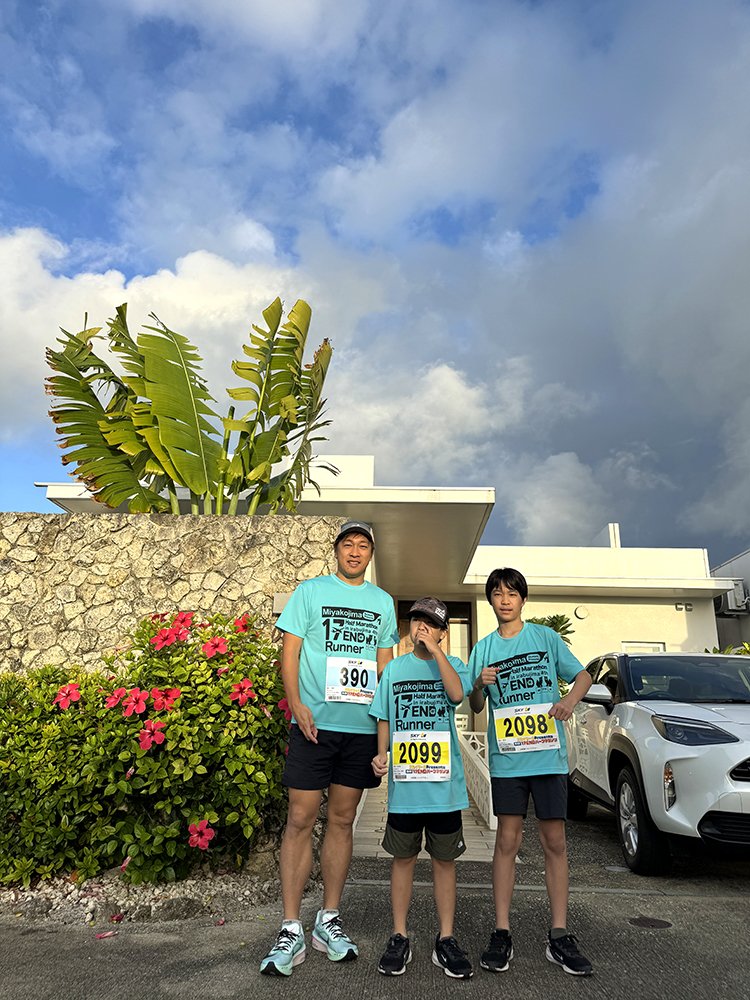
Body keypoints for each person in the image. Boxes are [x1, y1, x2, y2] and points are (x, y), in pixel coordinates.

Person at [260, 520, 398, 977]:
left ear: (371, 555)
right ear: (336, 550)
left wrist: (385, 731)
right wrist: (296, 703)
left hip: (359, 730)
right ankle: (290, 926)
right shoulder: (310, 592)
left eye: (363, 546)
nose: (355, 552)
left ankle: (329, 919)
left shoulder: (382, 603)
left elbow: (385, 668)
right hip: (313, 725)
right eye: (348, 544)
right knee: (300, 819)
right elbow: (290, 651)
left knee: (341, 820)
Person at [468, 567, 594, 977]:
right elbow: (474, 704)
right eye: (497, 593)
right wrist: (478, 684)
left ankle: (559, 934)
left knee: (554, 840)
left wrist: (569, 702)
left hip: (548, 757)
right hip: (508, 760)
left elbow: (583, 675)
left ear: (523, 599)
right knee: (507, 840)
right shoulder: (484, 648)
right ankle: (501, 931)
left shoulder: (545, 638)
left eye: (512, 593)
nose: (505, 600)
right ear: (490, 600)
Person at [370, 597, 474, 979]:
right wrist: (380, 754)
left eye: (430, 623)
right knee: (403, 860)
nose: (421, 627)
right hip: (406, 790)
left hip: (444, 790)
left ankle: (446, 938)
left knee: (444, 862)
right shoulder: (395, 669)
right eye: (416, 621)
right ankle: (399, 935)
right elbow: (383, 716)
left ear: (443, 632)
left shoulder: (454, 665)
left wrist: (437, 652)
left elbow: (457, 695)